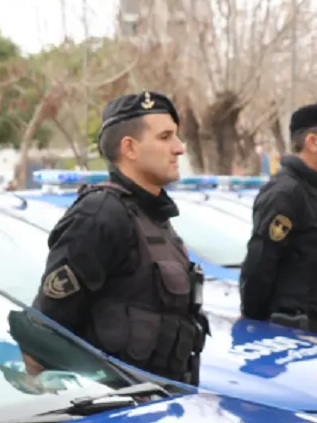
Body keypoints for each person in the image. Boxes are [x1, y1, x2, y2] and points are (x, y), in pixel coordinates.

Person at [30, 90, 208, 386]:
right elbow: (46, 331)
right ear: (130, 148)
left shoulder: (153, 215)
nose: (179, 148)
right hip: (114, 414)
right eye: (165, 137)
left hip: (161, 405)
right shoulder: (101, 214)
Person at [239, 100, 317, 339]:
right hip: (295, 334)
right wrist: (255, 329)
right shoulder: (286, 193)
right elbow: (259, 267)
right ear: (312, 142)